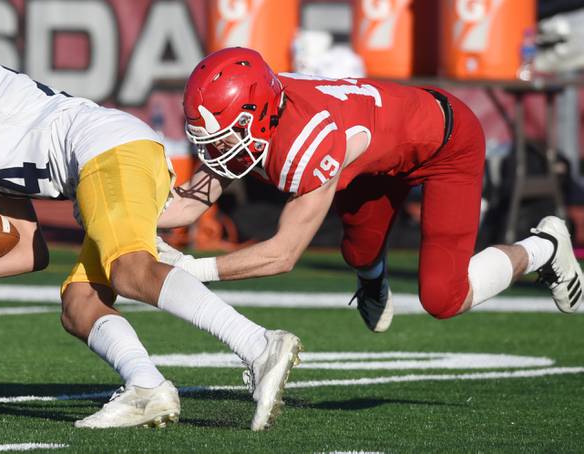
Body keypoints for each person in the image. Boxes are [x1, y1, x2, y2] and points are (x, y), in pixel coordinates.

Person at [0, 23, 302, 431]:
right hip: (114, 156)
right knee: (79, 303)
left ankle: (257, 344)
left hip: (104, 150)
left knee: (129, 270)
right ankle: (146, 386)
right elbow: (32, 250)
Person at [157, 47, 584, 332]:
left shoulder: (310, 141)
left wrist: (193, 269)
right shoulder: (269, 107)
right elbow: (188, 204)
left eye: (226, 135)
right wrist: (120, 220)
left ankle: (546, 245)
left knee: (443, 297)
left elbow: (282, 254)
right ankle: (373, 279)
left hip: (446, 147)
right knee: (359, 253)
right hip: (380, 154)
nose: (216, 148)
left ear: (261, 114)